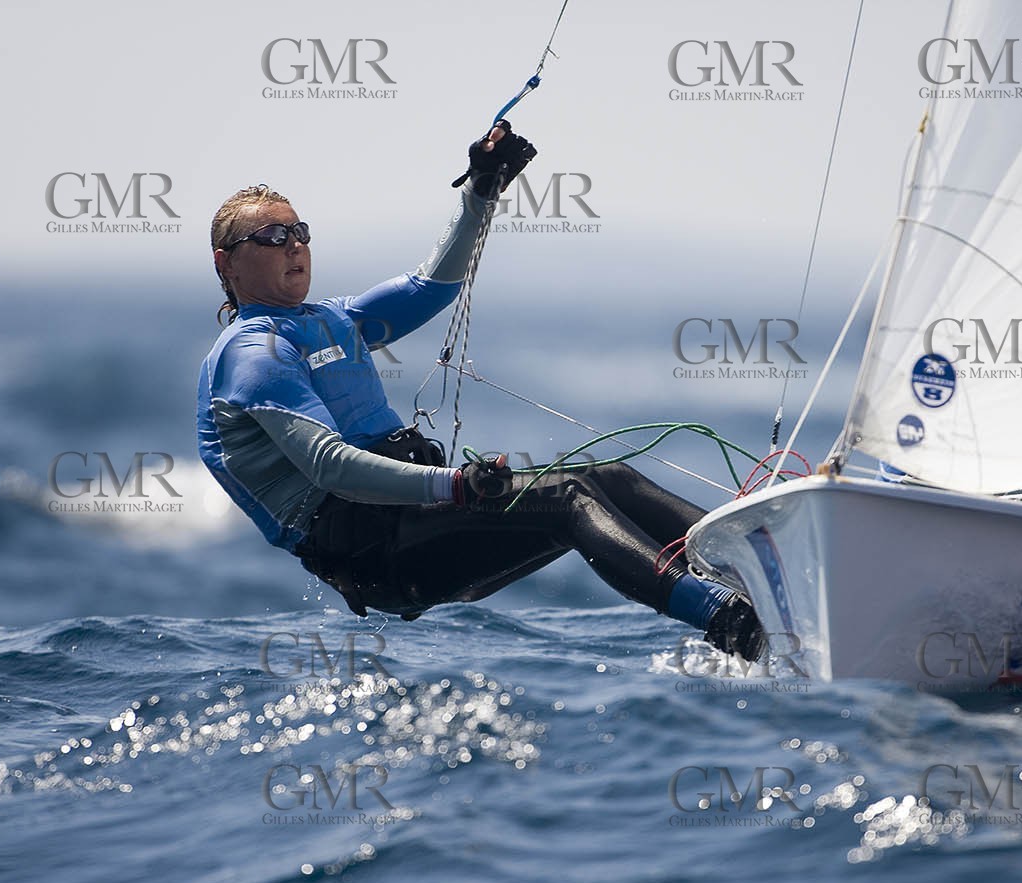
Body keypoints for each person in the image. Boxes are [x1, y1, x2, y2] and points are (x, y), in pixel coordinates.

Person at [195, 122, 766, 659]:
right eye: (271, 236)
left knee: (605, 478)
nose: (293, 245)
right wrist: (455, 488)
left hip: (405, 519)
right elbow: (330, 467)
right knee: (569, 501)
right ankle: (734, 623)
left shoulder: (331, 320)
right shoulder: (253, 354)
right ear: (228, 263)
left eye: (300, 231)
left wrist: (481, 192)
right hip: (370, 547)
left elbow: (432, 286)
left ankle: (764, 567)